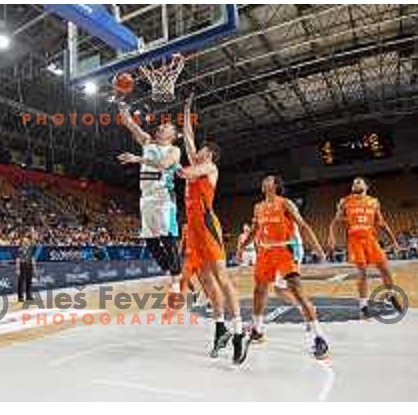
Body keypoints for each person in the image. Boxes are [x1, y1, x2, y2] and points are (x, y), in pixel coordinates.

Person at [179, 95, 249, 364]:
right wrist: (187, 112)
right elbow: (187, 137)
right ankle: (220, 328)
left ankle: (239, 331)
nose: (196, 152)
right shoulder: (196, 164)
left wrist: (170, 163)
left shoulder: (209, 168)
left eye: (201, 150)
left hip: (208, 226)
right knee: (206, 282)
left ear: (209, 155)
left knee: (221, 278)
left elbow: (185, 172)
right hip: (194, 230)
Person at [237, 176, 329, 359]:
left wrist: (317, 247)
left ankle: (319, 337)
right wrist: (241, 247)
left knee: (296, 290)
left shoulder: (285, 203)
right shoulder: (258, 207)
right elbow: (255, 231)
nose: (264, 180)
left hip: (285, 249)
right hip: (265, 252)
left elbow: (303, 225)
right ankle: (257, 329)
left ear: (276, 186)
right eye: (264, 179)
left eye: (269, 179)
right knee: (259, 290)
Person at [117, 106, 182, 294]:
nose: (161, 127)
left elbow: (163, 165)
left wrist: (138, 159)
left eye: (167, 127)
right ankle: (173, 271)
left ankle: (176, 283)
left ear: (173, 135)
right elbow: (130, 124)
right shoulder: (147, 141)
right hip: (146, 197)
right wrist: (122, 105)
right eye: (161, 125)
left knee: (168, 238)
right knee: (150, 240)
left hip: (163, 197)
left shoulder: (174, 150)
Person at [327, 177, 400, 318]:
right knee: (362, 272)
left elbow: (381, 222)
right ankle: (363, 305)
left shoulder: (374, 202)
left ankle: (390, 295)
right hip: (355, 240)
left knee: (385, 269)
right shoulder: (345, 201)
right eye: (354, 183)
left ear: (366, 186)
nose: (355, 184)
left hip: (371, 239)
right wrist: (332, 236)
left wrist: (393, 240)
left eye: (359, 182)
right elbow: (334, 222)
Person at [16, 234, 36, 302]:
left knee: (29, 281)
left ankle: (28, 295)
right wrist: (17, 268)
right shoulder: (20, 249)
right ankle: (20, 297)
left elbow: (33, 258)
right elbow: (18, 259)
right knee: (21, 282)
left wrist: (34, 267)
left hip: (29, 265)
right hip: (22, 265)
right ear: (22, 243)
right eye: (24, 241)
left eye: (27, 241)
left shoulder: (31, 249)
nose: (26, 242)